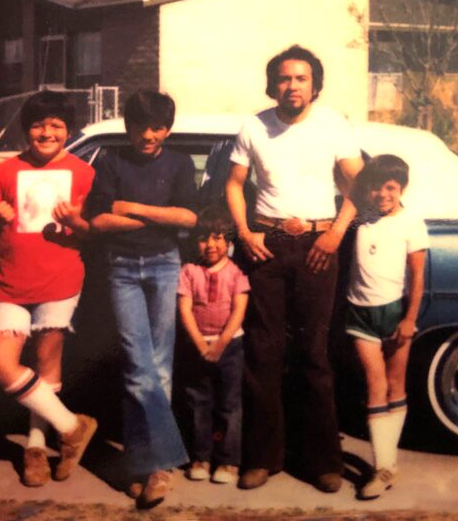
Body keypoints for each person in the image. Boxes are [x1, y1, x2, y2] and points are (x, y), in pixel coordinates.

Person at [225, 44, 364, 493]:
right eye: (285, 78)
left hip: (318, 248)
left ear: (315, 85)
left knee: (314, 354)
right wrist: (245, 233)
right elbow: (233, 184)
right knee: (263, 353)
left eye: (301, 78)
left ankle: (323, 461)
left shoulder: (333, 125)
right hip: (265, 248)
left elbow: (359, 184)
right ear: (273, 85)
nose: (292, 86)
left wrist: (335, 234)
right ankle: (263, 458)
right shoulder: (254, 126)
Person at [0, 91, 96, 487]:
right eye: (38, 125)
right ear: (26, 130)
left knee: (47, 366)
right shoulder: (5, 170)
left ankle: (35, 447)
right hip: (10, 283)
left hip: (60, 281)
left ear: (68, 131)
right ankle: (73, 428)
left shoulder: (84, 172)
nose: (47, 132)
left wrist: (77, 222)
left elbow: (93, 235)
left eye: (56, 126)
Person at [87, 90, 196, 509]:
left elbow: (188, 217)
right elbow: (98, 220)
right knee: (138, 366)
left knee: (160, 366)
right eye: (140, 127)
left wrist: (130, 207)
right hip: (122, 269)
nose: (148, 135)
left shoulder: (180, 163)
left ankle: (151, 467)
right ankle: (153, 462)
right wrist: (158, 214)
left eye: (157, 127)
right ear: (128, 126)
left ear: (167, 128)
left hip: (165, 265)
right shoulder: (112, 161)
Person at [345, 154, 429, 500]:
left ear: (402, 188)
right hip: (359, 314)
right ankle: (382, 468)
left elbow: (418, 276)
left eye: (390, 188)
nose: (382, 194)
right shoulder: (360, 218)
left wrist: (409, 319)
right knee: (375, 385)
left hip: (394, 313)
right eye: (376, 187)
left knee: (395, 386)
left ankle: (386, 465)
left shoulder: (411, 222)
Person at [177, 205, 249, 485]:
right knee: (199, 402)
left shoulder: (235, 273)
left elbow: (239, 311)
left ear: (228, 242)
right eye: (204, 238)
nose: (211, 245)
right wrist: (200, 344)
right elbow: (185, 309)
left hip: (230, 347)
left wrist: (220, 344)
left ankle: (229, 461)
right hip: (198, 347)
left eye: (218, 238)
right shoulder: (189, 271)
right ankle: (201, 457)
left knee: (229, 404)